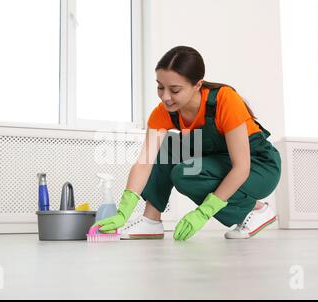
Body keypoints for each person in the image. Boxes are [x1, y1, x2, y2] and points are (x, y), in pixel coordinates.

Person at [94, 46, 281, 241]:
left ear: (198, 85)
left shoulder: (225, 100)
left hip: (258, 166)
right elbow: (144, 162)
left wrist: (204, 212)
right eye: (160, 87)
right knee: (167, 144)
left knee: (186, 173)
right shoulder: (163, 112)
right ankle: (151, 220)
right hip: (218, 161)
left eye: (174, 90)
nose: (165, 97)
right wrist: (124, 211)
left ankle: (256, 210)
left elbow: (241, 167)